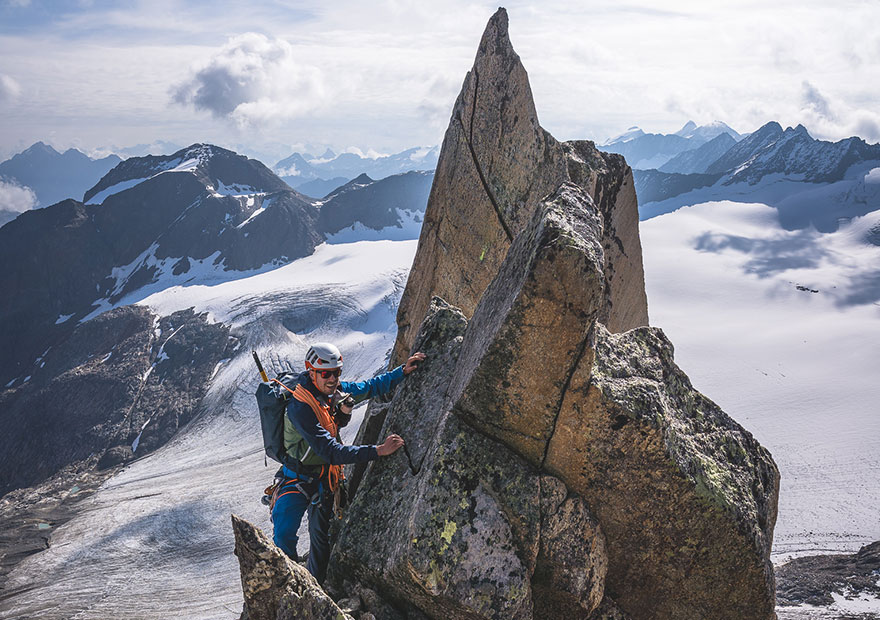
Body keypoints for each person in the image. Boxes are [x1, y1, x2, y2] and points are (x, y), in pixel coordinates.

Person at [272, 342, 426, 583]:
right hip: (297, 477)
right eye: (326, 373)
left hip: (322, 478)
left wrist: (401, 371)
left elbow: (369, 387)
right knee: (283, 536)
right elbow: (331, 451)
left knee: (320, 539)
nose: (333, 379)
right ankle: (288, 586)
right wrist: (378, 450)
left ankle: (315, 588)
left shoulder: (333, 392)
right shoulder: (299, 406)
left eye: (337, 372)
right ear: (310, 371)